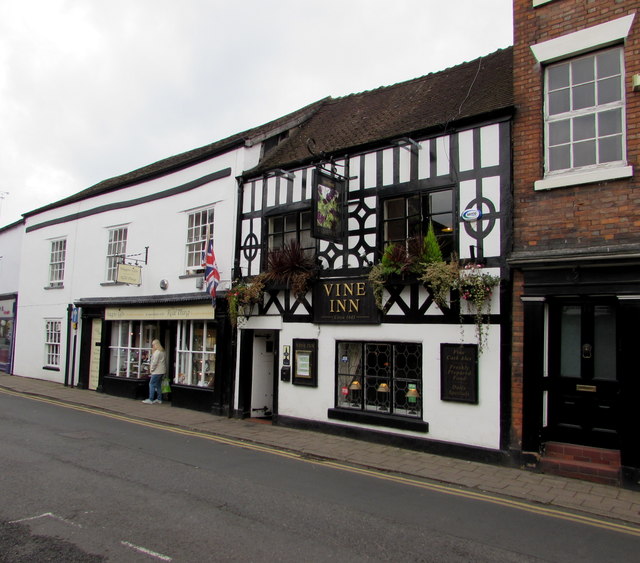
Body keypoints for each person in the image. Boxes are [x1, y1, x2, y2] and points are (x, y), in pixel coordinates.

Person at [142, 339, 166, 404]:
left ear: (156, 345)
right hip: (162, 371)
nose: (153, 346)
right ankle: (159, 399)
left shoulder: (157, 352)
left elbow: (154, 362)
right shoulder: (163, 351)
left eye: (153, 345)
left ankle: (151, 399)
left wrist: (151, 369)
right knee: (158, 385)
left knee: (151, 384)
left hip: (157, 371)